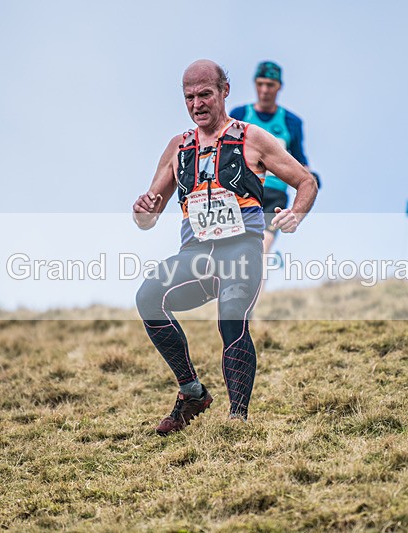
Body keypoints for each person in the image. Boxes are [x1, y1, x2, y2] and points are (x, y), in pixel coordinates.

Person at [132, 59, 317, 434]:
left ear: (224, 92)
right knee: (148, 298)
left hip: (241, 252)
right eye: (189, 97)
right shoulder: (178, 147)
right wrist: (142, 213)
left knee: (231, 315)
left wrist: (295, 214)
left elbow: (306, 181)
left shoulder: (252, 138)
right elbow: (148, 216)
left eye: (205, 95)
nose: (197, 104)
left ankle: (237, 420)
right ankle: (192, 392)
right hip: (196, 256)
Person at [229, 61, 319, 263]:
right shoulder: (240, 115)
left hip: (274, 195)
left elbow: (299, 158)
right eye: (260, 84)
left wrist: (310, 176)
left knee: (263, 248)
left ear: (279, 87)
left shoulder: (291, 122)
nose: (264, 90)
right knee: (233, 250)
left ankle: (257, 295)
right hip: (242, 191)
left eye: (270, 85)